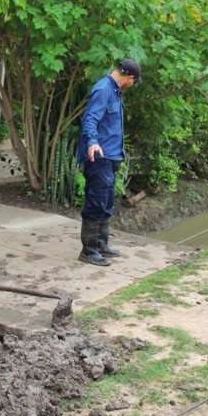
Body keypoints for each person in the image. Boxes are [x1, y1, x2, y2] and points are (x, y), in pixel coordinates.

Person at [76, 58, 142, 265]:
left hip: (110, 157)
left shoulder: (114, 91)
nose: (132, 85)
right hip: (99, 156)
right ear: (130, 78)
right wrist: (93, 142)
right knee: (96, 201)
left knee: (106, 202)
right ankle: (88, 250)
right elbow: (90, 119)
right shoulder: (103, 89)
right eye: (134, 82)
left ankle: (101, 244)